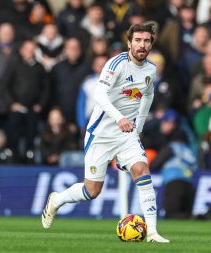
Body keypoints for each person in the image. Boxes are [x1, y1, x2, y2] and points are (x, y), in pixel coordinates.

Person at [42, 23, 170, 243]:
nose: (142, 45)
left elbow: (148, 96)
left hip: (126, 134)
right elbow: (99, 95)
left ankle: (152, 232)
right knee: (92, 190)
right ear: (129, 43)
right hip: (100, 134)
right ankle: (57, 199)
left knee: (142, 170)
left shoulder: (150, 69)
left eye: (146, 41)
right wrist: (119, 118)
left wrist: (137, 127)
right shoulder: (116, 63)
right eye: (137, 40)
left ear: (151, 43)